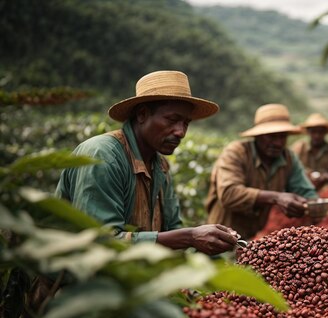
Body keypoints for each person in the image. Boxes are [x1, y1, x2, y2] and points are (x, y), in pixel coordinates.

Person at [56, 70, 239, 255]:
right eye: (172, 120)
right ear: (142, 115)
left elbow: (171, 229)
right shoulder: (102, 156)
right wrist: (190, 237)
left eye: (186, 123)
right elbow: (100, 243)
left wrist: (208, 244)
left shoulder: (161, 167)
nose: (181, 132)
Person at [204, 103, 319, 239]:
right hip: (219, 237)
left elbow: (306, 192)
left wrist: (310, 205)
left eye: (282, 137)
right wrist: (277, 197)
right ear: (258, 136)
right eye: (271, 136)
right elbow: (229, 194)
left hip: (252, 236)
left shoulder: (288, 158)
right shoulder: (236, 152)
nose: (278, 143)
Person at [291, 112, 328, 190]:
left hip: (326, 189)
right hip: (302, 189)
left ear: (325, 132)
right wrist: (307, 174)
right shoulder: (299, 148)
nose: (317, 135)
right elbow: (290, 168)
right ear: (308, 132)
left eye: (320, 132)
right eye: (313, 132)